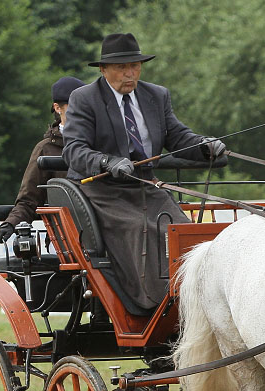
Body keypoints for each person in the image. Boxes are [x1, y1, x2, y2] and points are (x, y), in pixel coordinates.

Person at [63, 32, 226, 311]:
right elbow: (74, 149)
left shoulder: (156, 95)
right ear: (103, 70)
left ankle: (191, 300)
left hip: (147, 185)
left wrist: (204, 145)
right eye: (121, 68)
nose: (129, 74)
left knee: (183, 232)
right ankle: (153, 302)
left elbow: (176, 136)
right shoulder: (84, 98)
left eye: (135, 66)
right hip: (103, 190)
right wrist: (107, 162)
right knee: (143, 229)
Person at [0, 76, 87, 243]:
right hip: (68, 238)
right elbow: (29, 200)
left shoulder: (102, 143)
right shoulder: (45, 149)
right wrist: (10, 224)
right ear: (58, 108)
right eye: (75, 107)